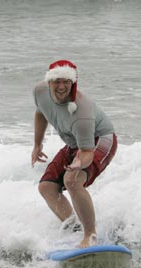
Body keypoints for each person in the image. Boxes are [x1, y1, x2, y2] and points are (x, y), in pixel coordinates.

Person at [31, 60, 117, 248]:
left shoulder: (81, 112)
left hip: (99, 140)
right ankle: (74, 229)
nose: (61, 87)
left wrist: (79, 163)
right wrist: (37, 144)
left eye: (66, 82)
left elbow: (86, 152)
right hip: (74, 142)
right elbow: (40, 112)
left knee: (72, 180)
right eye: (57, 81)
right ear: (49, 82)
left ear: (73, 83)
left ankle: (90, 235)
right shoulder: (39, 91)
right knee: (46, 187)